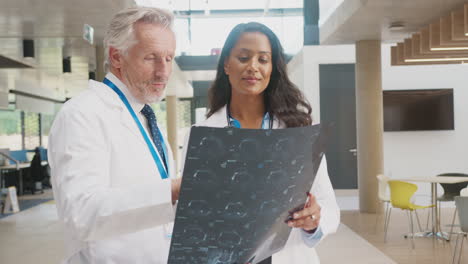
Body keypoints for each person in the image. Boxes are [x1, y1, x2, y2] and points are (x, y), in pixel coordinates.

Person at [185, 22, 340, 263]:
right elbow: (191, 211)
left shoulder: (298, 131)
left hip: (288, 255)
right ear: (227, 64)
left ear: (272, 69)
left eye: (263, 60)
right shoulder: (202, 134)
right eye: (244, 57)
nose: (253, 67)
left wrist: (313, 222)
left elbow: (328, 205)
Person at [48, 7, 181, 263]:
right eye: (151, 57)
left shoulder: (145, 118)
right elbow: (82, 215)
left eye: (168, 58)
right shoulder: (81, 114)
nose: (163, 72)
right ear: (117, 57)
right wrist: (173, 190)